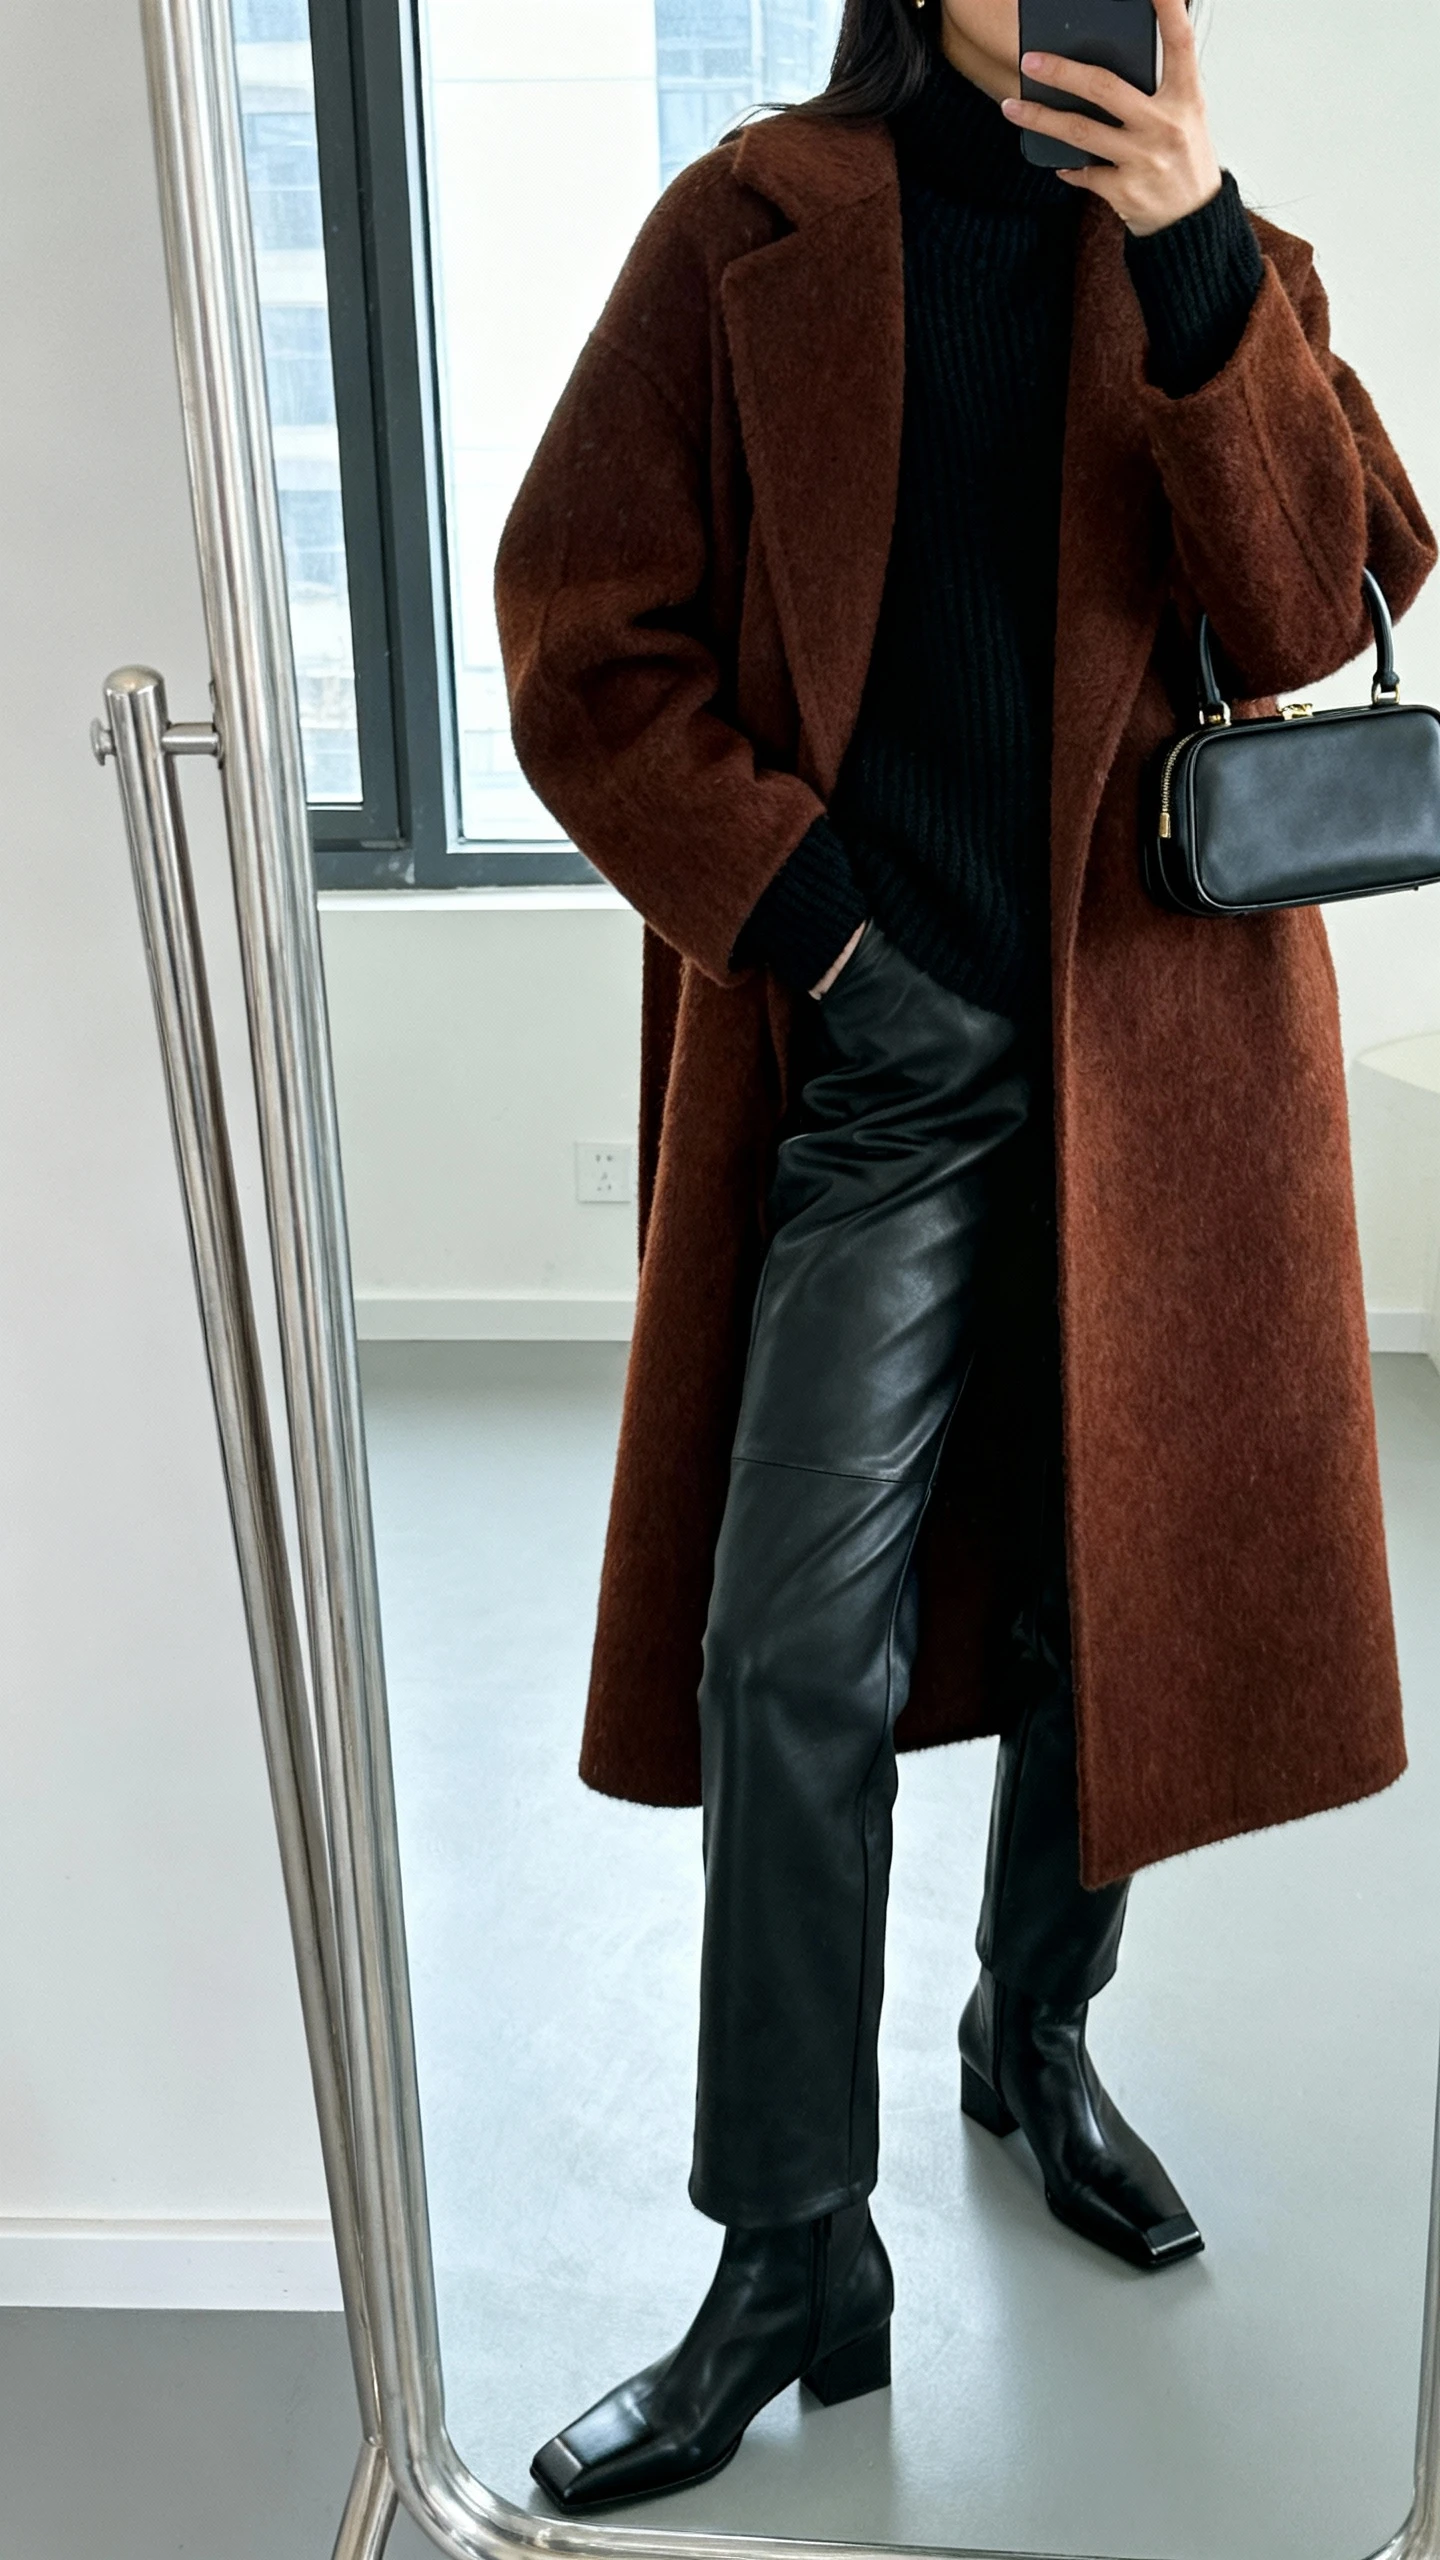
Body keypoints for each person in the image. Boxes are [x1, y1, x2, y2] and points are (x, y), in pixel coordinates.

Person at [495, 0, 1435, 2511]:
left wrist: (1201, 261)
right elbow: (585, 638)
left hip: (1168, 1064)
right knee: (783, 1636)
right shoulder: (747, 232)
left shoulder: (1229, 264)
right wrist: (813, 927)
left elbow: (1313, 617)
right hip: (880, 1051)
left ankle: (1040, 2034)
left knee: (1095, 1597)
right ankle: (793, 2246)